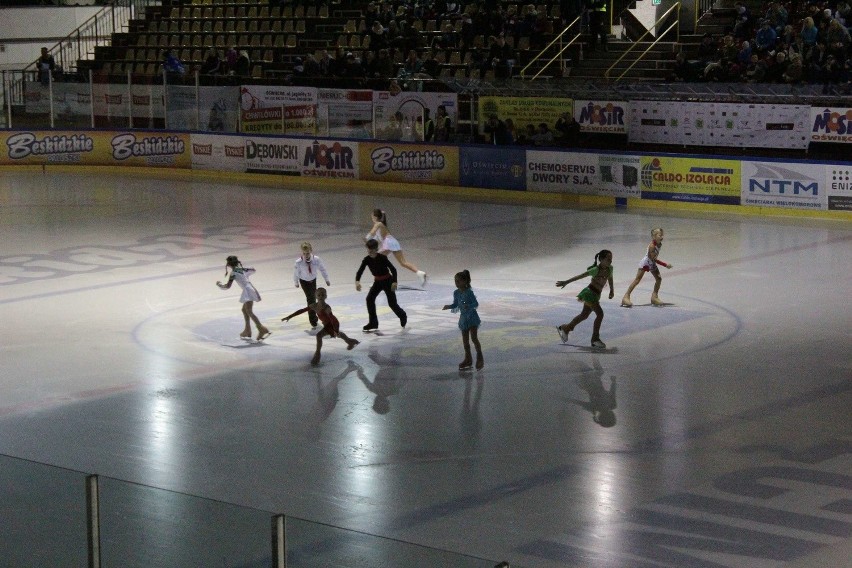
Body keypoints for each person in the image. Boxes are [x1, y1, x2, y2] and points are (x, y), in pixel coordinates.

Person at [281, 287, 359, 365]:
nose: (321, 296)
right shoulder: (314, 306)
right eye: (319, 295)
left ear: (326, 296)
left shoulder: (327, 308)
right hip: (327, 324)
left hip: (332, 323)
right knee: (338, 335)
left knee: (319, 335)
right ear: (316, 296)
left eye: (323, 295)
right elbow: (301, 310)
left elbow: (332, 319)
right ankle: (350, 341)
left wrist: (335, 330)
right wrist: (289, 317)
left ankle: (317, 355)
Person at [555, 249, 614, 349]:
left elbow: (610, 278)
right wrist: (566, 282)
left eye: (611, 259)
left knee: (584, 315)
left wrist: (612, 290)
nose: (610, 261)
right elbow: (581, 276)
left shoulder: (610, 269)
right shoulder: (595, 269)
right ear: (602, 260)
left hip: (596, 295)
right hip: (589, 293)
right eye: (608, 259)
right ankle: (595, 339)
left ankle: (566, 328)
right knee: (600, 314)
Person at [365, 209, 428, 286]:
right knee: (403, 263)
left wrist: (366, 238)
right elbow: (376, 238)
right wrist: (368, 242)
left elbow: (372, 232)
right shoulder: (381, 225)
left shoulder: (378, 224)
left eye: (372, 216)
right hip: (393, 242)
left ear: (375, 216)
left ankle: (379, 282)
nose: (371, 217)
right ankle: (420, 273)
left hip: (388, 243)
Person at [356, 239, 408, 331]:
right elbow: (360, 270)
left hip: (388, 281)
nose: (369, 252)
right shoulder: (367, 259)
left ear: (376, 249)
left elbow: (393, 269)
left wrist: (395, 282)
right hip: (377, 282)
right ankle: (373, 323)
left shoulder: (382, 258)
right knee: (369, 299)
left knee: (392, 303)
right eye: (368, 250)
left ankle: (402, 315)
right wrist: (357, 281)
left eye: (371, 250)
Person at [216, 255, 271, 340]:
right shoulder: (241, 270)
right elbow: (253, 270)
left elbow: (227, 286)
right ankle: (247, 330)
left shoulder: (233, 273)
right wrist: (243, 269)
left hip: (248, 291)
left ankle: (261, 328)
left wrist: (219, 285)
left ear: (229, 264)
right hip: (249, 289)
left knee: (249, 311)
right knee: (244, 310)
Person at [442, 269, 484, 370]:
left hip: (472, 318)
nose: (456, 283)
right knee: (465, 342)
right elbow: (456, 304)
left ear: (465, 281)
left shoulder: (469, 292)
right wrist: (449, 306)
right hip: (464, 319)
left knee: (474, 338)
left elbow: (476, 304)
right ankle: (468, 359)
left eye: (458, 281)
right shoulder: (456, 293)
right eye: (455, 281)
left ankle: (480, 357)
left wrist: (468, 306)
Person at [621, 228, 673, 307]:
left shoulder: (659, 244)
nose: (662, 237)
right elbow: (654, 259)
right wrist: (665, 265)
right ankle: (626, 297)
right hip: (645, 264)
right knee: (637, 280)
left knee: (658, 279)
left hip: (651, 264)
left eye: (662, 235)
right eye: (660, 235)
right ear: (654, 236)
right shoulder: (652, 246)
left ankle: (654, 297)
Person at [293, 241, 331, 330]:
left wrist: (327, 279)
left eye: (308, 253)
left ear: (311, 251)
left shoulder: (316, 259)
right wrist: (296, 282)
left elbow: (322, 269)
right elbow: (296, 273)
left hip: (313, 281)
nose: (306, 255)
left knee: (314, 298)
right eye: (304, 253)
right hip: (304, 282)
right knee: (311, 299)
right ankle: (313, 320)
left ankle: (316, 318)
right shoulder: (299, 262)